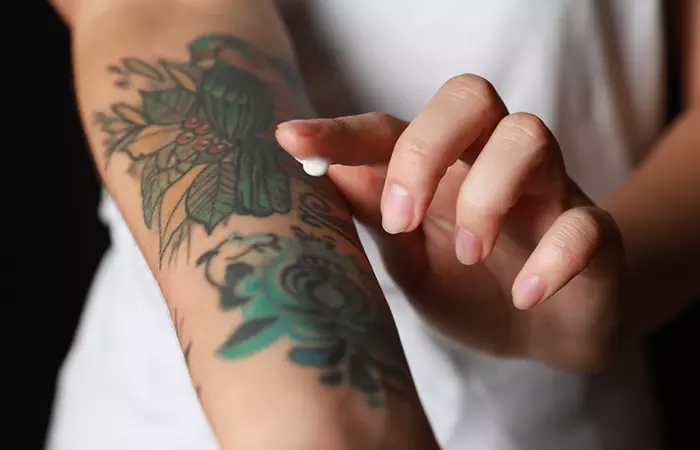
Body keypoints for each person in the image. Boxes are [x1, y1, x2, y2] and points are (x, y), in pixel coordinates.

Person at [47, 0, 699, 449]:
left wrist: (607, 293)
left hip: (568, 412)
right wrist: (331, 428)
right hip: (199, 418)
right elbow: (167, 20)